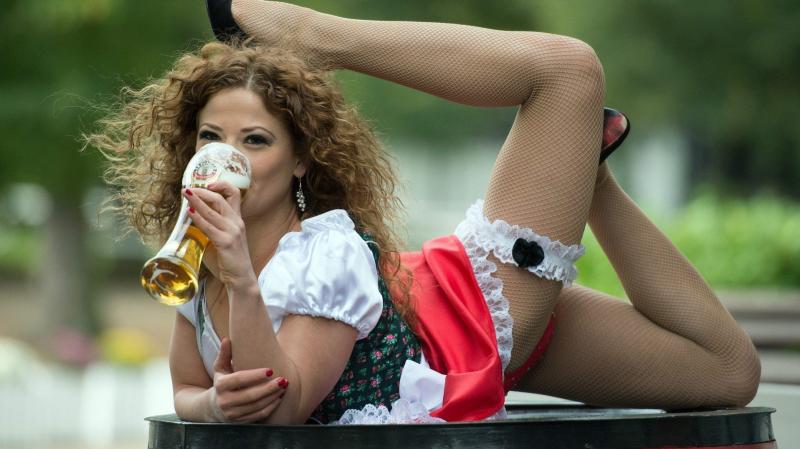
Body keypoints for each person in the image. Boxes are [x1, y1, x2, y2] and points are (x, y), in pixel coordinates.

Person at [89, 0, 761, 425]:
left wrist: (240, 277)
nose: (225, 157)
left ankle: (323, 38)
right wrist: (210, 404)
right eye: (210, 137)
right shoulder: (194, 263)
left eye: (255, 140)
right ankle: (586, 166)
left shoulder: (325, 253)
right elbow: (192, 387)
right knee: (728, 374)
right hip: (439, 338)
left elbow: (282, 407)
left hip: (479, 310)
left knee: (567, 70)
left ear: (300, 161)